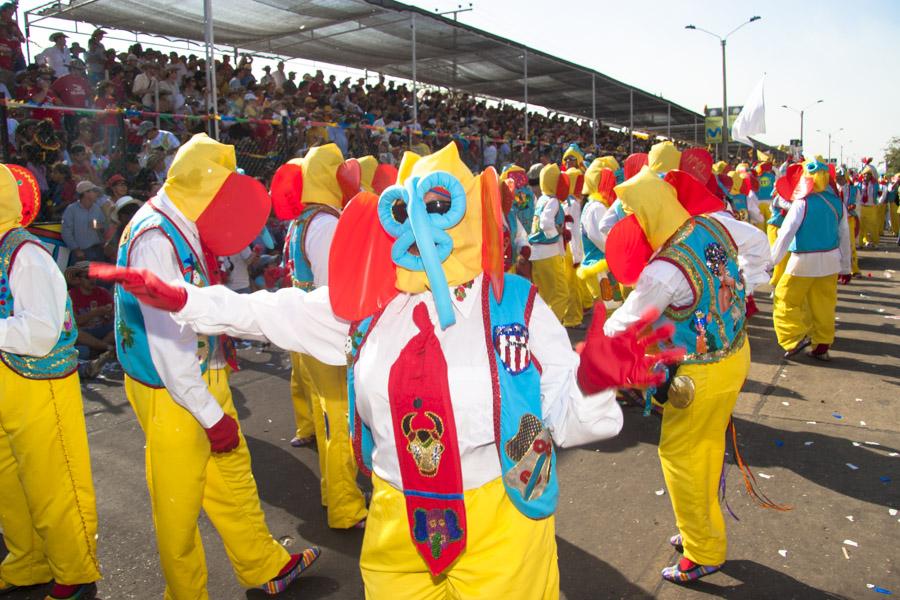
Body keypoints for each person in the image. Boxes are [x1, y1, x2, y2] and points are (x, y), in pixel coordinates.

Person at [92, 141, 681, 599]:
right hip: (397, 520)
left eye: (437, 208)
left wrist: (592, 378)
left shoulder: (519, 307)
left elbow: (562, 418)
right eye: (409, 210)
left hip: (504, 519)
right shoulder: (372, 308)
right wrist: (185, 300)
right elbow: (269, 311)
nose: (423, 228)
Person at [105, 134, 320, 598]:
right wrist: (209, 414)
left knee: (231, 478)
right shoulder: (155, 239)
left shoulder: (174, 223)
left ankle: (265, 565)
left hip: (196, 380)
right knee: (179, 504)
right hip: (175, 392)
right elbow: (168, 344)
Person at [602, 165, 770, 583]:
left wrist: (604, 327)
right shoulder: (712, 224)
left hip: (700, 376)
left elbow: (627, 322)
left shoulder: (665, 269)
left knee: (681, 458)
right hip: (736, 352)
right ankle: (701, 526)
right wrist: (744, 285)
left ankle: (703, 550)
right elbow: (760, 242)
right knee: (707, 447)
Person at [0, 163, 100, 599]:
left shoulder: (27, 253)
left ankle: (75, 572)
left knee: (52, 482)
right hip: (9, 381)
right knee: (10, 484)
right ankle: (26, 563)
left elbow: (41, 332)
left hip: (39, 383)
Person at [272, 143, 368, 528]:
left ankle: (335, 493)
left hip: (306, 334)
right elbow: (337, 291)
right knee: (340, 424)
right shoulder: (326, 224)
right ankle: (345, 506)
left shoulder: (303, 220)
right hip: (326, 337)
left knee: (326, 418)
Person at [771, 159, 851, 361]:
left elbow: (786, 234)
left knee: (784, 299)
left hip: (803, 262)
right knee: (824, 304)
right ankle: (822, 345)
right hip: (831, 262)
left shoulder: (802, 203)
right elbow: (845, 236)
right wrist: (846, 267)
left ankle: (793, 338)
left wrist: (772, 262)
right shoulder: (837, 203)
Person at [527, 163, 568, 322]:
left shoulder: (542, 199)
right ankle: (553, 327)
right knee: (560, 293)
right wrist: (555, 232)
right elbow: (545, 223)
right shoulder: (553, 200)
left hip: (536, 254)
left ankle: (540, 328)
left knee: (544, 296)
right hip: (549, 254)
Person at [61, 180, 106, 263]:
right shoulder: (71, 210)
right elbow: (66, 232)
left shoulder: (97, 208)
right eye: (94, 191)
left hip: (98, 250)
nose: (97, 194)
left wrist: (99, 226)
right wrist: (76, 249)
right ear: (85, 193)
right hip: (81, 253)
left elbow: (103, 225)